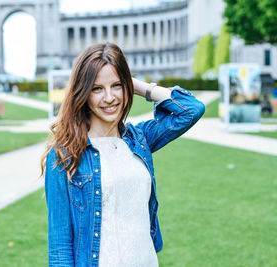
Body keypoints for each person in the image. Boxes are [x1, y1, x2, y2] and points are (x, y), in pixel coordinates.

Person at [41, 43, 205, 266]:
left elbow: (190, 109)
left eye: (116, 86)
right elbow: (60, 249)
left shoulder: (140, 139)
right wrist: (116, 79)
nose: (109, 98)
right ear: (83, 92)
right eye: (97, 88)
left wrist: (133, 83)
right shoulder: (64, 155)